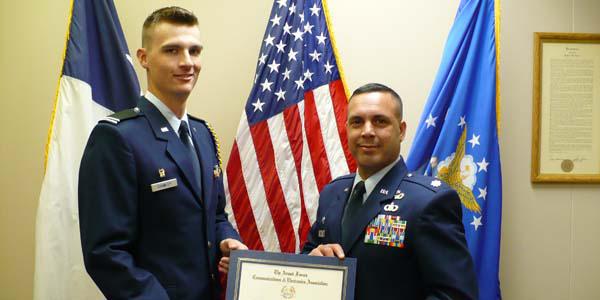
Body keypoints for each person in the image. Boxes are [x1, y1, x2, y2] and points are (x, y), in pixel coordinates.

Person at [78, 7, 246, 300]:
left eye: (194, 51)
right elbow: (106, 253)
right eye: (172, 51)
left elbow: (215, 215)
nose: (187, 63)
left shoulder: (202, 134)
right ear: (143, 58)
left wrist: (227, 240)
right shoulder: (117, 137)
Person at [302, 83, 478, 299]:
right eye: (357, 122)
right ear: (347, 128)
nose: (367, 131)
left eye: (380, 121)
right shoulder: (332, 192)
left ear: (401, 130)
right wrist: (311, 259)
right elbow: (306, 258)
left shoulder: (428, 202)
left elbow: (454, 295)